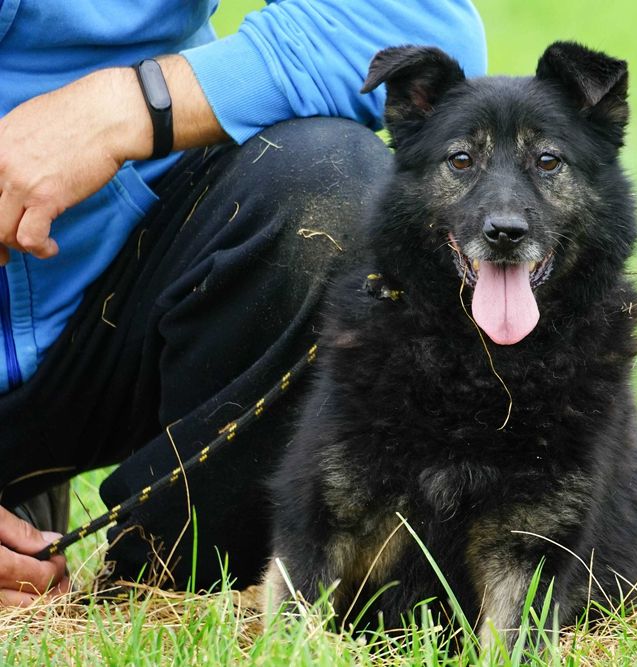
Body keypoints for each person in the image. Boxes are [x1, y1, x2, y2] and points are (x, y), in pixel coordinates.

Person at [0, 0, 487, 606]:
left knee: (330, 189)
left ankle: (165, 577)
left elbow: (415, 26)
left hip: (131, 271)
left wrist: (123, 108)